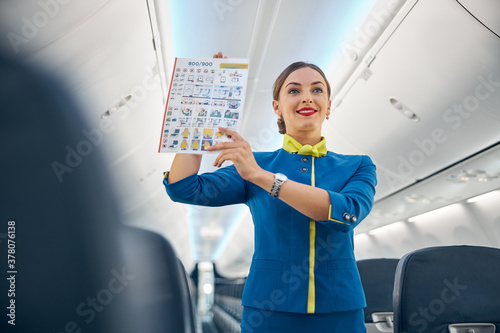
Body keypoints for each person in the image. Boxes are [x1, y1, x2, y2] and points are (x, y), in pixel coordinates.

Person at [163, 51, 377, 332]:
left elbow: (346, 213)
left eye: (317, 90)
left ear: (328, 106)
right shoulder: (254, 162)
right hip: (268, 309)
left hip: (339, 309)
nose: (307, 97)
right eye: (294, 90)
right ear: (277, 107)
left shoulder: (357, 166)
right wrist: (198, 115)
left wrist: (261, 178)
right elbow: (184, 188)